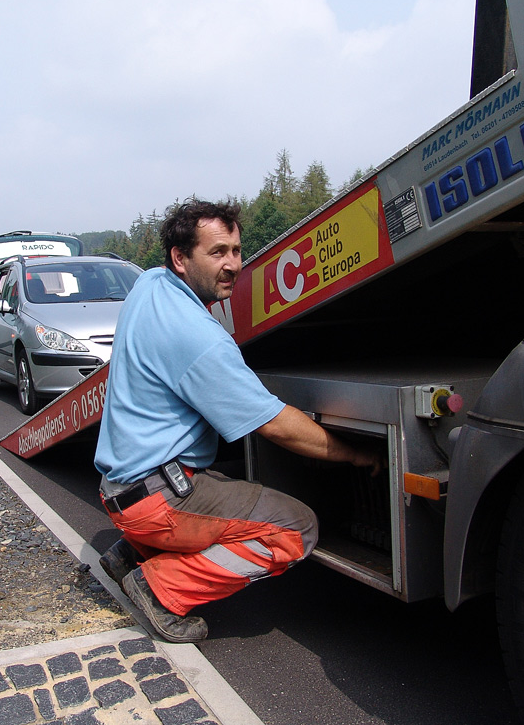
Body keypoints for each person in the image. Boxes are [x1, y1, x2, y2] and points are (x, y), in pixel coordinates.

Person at [94, 198, 380, 643]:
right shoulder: (200, 338)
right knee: (296, 527)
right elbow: (274, 425)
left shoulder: (150, 284)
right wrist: (353, 455)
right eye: (217, 253)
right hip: (157, 499)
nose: (232, 265)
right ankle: (161, 587)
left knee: (219, 480)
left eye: (236, 251)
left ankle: (130, 555)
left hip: (121, 488)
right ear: (180, 258)